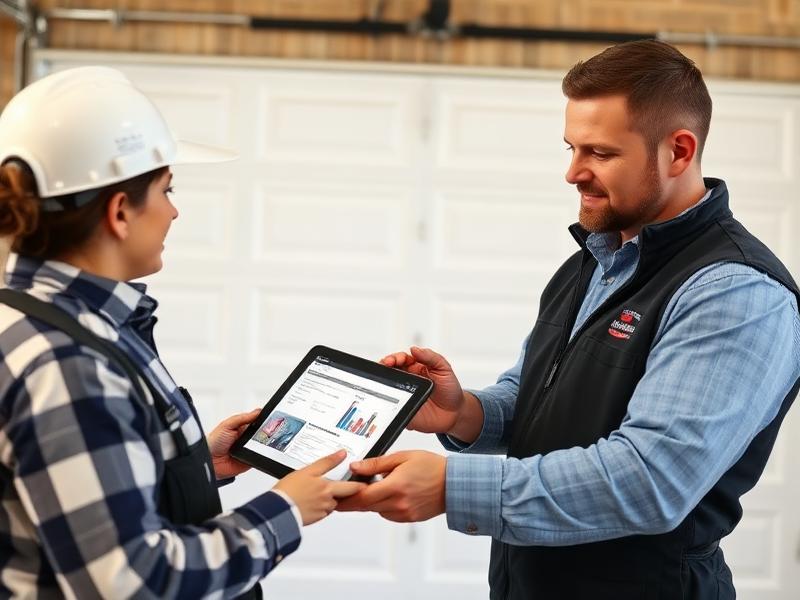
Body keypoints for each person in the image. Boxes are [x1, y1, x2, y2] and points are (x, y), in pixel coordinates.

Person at [337, 40, 800, 599]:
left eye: (600, 153)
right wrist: (462, 413)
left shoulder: (733, 290)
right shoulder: (593, 261)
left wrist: (451, 487)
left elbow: (652, 479)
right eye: (571, 148)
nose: (572, 173)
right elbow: (538, 397)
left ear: (679, 151)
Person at [0, 66, 364, 599]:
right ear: (120, 212)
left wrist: (189, 467)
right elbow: (132, 582)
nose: (175, 211)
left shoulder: (43, 320)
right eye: (167, 189)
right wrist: (285, 509)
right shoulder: (67, 361)